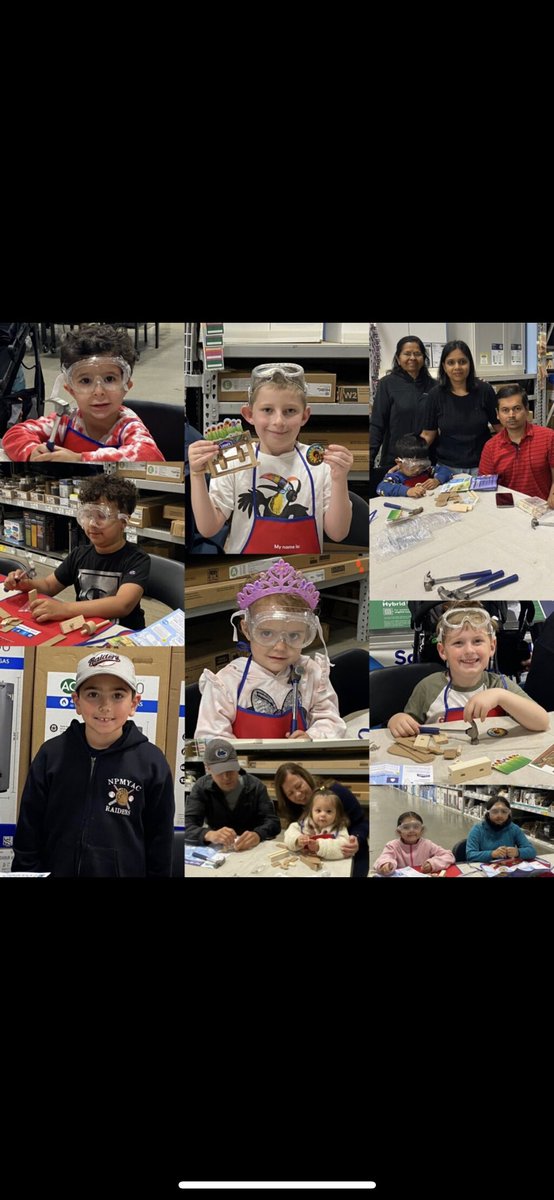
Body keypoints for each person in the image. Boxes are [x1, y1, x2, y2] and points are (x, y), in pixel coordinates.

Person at [12, 652, 175, 876]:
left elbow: (160, 842)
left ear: (134, 703)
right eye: (93, 694)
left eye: (118, 695)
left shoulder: (152, 762)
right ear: (77, 701)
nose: (105, 706)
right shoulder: (51, 754)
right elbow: (29, 829)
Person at [188, 362, 353, 554]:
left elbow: (338, 533)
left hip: (301, 571)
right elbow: (208, 528)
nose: (279, 421)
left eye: (290, 411)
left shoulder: (321, 465)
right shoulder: (235, 459)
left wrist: (340, 479)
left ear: (305, 416)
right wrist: (197, 475)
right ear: (249, 415)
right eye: (267, 410)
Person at [194, 557, 347, 740]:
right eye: (267, 634)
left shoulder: (311, 673)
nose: (281, 647)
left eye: (293, 636)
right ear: (247, 629)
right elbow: (211, 738)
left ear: (307, 633)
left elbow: (330, 720)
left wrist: (312, 737)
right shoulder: (227, 683)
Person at [2, 324, 165, 462]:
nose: (99, 392)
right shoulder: (66, 422)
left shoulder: (128, 426)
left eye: (109, 379)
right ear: (71, 390)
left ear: (126, 385)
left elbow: (149, 457)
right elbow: (15, 434)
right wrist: (33, 452)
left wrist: (79, 459)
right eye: (85, 381)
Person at [3, 477, 150, 630]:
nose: (92, 524)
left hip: (123, 632)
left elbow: (122, 604)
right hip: (84, 628)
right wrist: (27, 584)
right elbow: (48, 586)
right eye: (88, 515)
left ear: (124, 522)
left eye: (101, 516)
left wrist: (65, 609)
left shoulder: (137, 559)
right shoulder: (79, 554)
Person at [387, 601, 549, 737]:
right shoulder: (428, 688)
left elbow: (542, 722)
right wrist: (397, 719)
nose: (469, 651)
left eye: (477, 641)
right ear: (443, 651)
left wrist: (501, 697)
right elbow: (407, 723)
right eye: (458, 643)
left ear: (492, 647)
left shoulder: (501, 685)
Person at [274, 761, 368, 876]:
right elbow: (291, 832)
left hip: (350, 856)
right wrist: (298, 840)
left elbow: (362, 822)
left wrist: (356, 839)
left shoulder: (335, 794)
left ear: (306, 777)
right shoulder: (300, 816)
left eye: (299, 786)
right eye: (290, 793)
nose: (298, 794)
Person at [184, 738, 280, 849]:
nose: (226, 777)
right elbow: (186, 825)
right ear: (208, 769)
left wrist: (258, 834)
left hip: (251, 849)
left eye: (230, 770)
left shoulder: (255, 786)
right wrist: (209, 834)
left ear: (237, 765)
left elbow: (273, 822)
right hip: (218, 850)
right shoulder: (201, 788)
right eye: (219, 771)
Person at [421, 340, 499, 473]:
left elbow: (499, 427)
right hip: (446, 469)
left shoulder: (485, 390)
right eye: (451, 362)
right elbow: (428, 434)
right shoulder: (435, 395)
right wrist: (409, 459)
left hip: (483, 465)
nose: (457, 367)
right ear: (444, 367)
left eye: (462, 361)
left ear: (470, 364)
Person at [478, 384, 554, 505]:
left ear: (526, 409)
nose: (511, 415)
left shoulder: (548, 437)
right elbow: (485, 487)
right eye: (505, 410)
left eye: (517, 408)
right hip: (508, 510)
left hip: (543, 509)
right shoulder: (490, 447)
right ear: (497, 414)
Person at [370, 336, 436, 473]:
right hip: (395, 459)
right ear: (398, 358)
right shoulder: (387, 384)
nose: (412, 358)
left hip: (427, 459)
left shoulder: (434, 387)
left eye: (417, 354)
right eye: (407, 353)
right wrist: (369, 458)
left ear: (424, 358)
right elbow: (377, 424)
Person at [373, 812, 455, 875]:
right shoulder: (392, 846)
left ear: (422, 830)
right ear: (399, 831)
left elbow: (449, 856)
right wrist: (386, 864)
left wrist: (433, 863)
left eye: (416, 827)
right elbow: (383, 858)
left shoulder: (427, 844)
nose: (411, 830)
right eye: (406, 827)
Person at [283, 786, 351, 860]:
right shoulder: (304, 824)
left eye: (329, 811)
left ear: (337, 814)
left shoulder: (339, 828)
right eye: (318, 811)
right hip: (304, 862)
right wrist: (297, 840)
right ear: (311, 812)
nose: (322, 814)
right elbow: (289, 833)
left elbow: (344, 847)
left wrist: (319, 846)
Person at [376, 433, 452, 497]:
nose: (418, 470)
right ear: (399, 462)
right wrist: (407, 491)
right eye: (412, 466)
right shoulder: (395, 477)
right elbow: (381, 488)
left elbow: (446, 471)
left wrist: (437, 480)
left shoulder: (426, 471)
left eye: (422, 464)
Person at [466, 796, 536, 863]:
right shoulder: (477, 829)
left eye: (504, 811)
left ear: (509, 813)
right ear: (488, 812)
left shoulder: (514, 829)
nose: (500, 815)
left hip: (506, 869)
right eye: (495, 811)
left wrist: (518, 852)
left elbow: (532, 851)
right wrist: (492, 854)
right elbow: (470, 855)